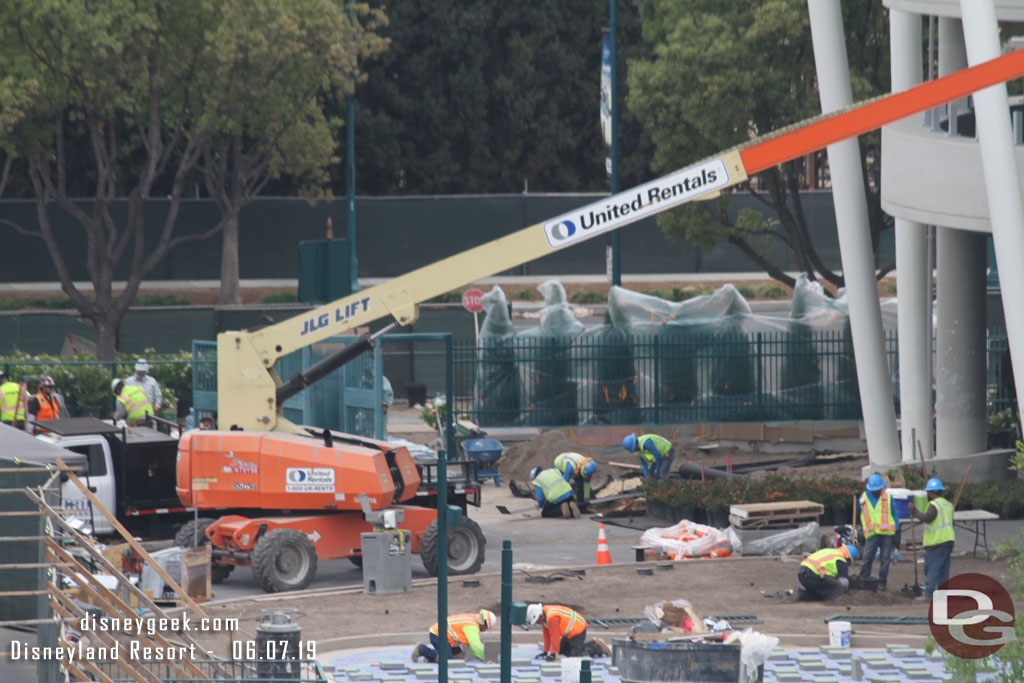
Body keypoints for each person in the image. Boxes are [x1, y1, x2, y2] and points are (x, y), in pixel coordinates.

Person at [909, 478, 955, 599]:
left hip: (937, 543)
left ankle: (928, 595)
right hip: (948, 541)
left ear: (931, 492)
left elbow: (927, 518)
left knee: (932, 569)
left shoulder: (934, 505)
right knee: (943, 570)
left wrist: (914, 510)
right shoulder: (948, 504)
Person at [525, 603, 609, 661]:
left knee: (576, 656)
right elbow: (546, 635)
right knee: (562, 652)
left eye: (537, 620)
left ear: (540, 615)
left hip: (578, 629)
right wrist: (546, 651)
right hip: (569, 632)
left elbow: (555, 636)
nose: (537, 623)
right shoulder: (544, 617)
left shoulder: (551, 618)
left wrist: (553, 654)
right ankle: (590, 644)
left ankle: (599, 647)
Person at [411, 609, 496, 664]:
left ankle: (432, 657)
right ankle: (421, 649)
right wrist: (484, 659)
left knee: (458, 657)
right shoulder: (472, 625)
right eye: (486, 627)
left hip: (446, 637)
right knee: (446, 658)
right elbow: (475, 645)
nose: (484, 630)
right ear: (484, 623)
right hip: (438, 634)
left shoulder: (472, 618)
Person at [859, 473, 897, 591]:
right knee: (867, 557)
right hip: (872, 533)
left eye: (878, 489)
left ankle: (882, 583)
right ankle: (864, 580)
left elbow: (895, 515)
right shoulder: (863, 498)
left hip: (887, 533)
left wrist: (898, 531)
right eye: (874, 490)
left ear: (882, 488)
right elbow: (858, 512)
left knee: (885, 559)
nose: (876, 492)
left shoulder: (888, 498)